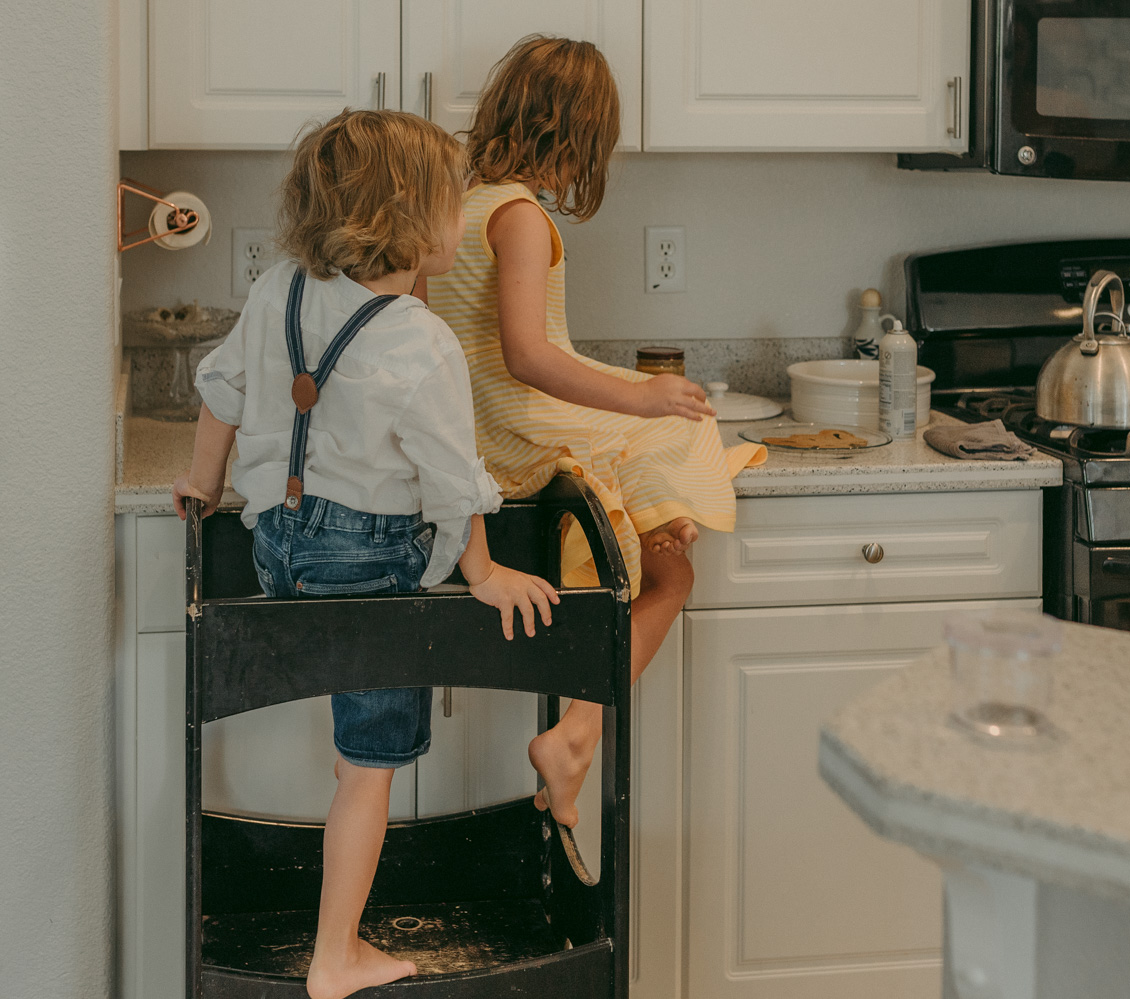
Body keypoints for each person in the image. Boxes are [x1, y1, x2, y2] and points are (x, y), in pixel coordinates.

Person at [172, 109, 559, 999]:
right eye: (452, 201)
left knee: (339, 723)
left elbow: (221, 391)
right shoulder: (422, 342)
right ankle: (334, 954)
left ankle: (330, 923)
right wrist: (486, 572)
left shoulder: (279, 290)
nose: (463, 216)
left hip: (278, 549)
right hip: (370, 570)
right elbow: (454, 485)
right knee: (366, 768)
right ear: (411, 221)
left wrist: (201, 484)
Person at [424, 35, 765, 830]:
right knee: (680, 485)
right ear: (578, 136)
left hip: (472, 434)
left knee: (671, 479)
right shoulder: (520, 218)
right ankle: (579, 730)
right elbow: (528, 355)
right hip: (518, 434)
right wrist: (642, 396)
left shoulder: (452, 207)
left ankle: (657, 523)